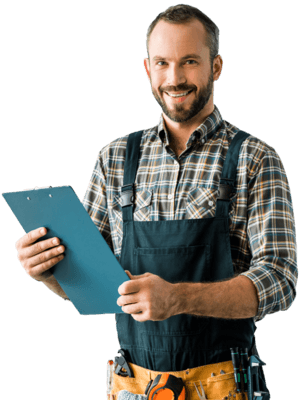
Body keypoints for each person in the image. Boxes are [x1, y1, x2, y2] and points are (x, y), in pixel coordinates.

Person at [14, 4, 298, 400]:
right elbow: (90, 283)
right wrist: (47, 271)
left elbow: (282, 280)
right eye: (162, 63)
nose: (175, 78)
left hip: (223, 387)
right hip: (133, 387)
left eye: (190, 62)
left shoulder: (254, 157)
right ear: (148, 69)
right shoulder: (115, 157)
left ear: (216, 67)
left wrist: (177, 297)